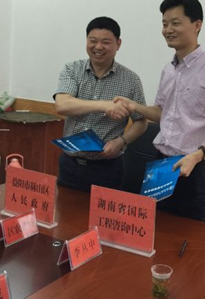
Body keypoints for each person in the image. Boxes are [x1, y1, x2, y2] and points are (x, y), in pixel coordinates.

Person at [115, 0, 205, 223]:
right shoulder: (169, 70)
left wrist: (198, 155)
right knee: (157, 230)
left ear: (197, 25)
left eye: (175, 23)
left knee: (195, 240)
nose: (168, 30)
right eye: (164, 24)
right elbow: (162, 114)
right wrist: (133, 106)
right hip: (162, 164)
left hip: (196, 168)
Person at [54, 16, 148, 192]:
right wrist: (105, 105)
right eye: (93, 41)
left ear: (118, 44)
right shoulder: (72, 69)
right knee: (66, 208)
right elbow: (62, 105)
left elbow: (141, 121)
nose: (98, 47)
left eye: (105, 42)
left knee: (103, 211)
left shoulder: (131, 80)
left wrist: (122, 141)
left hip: (108, 168)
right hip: (70, 165)